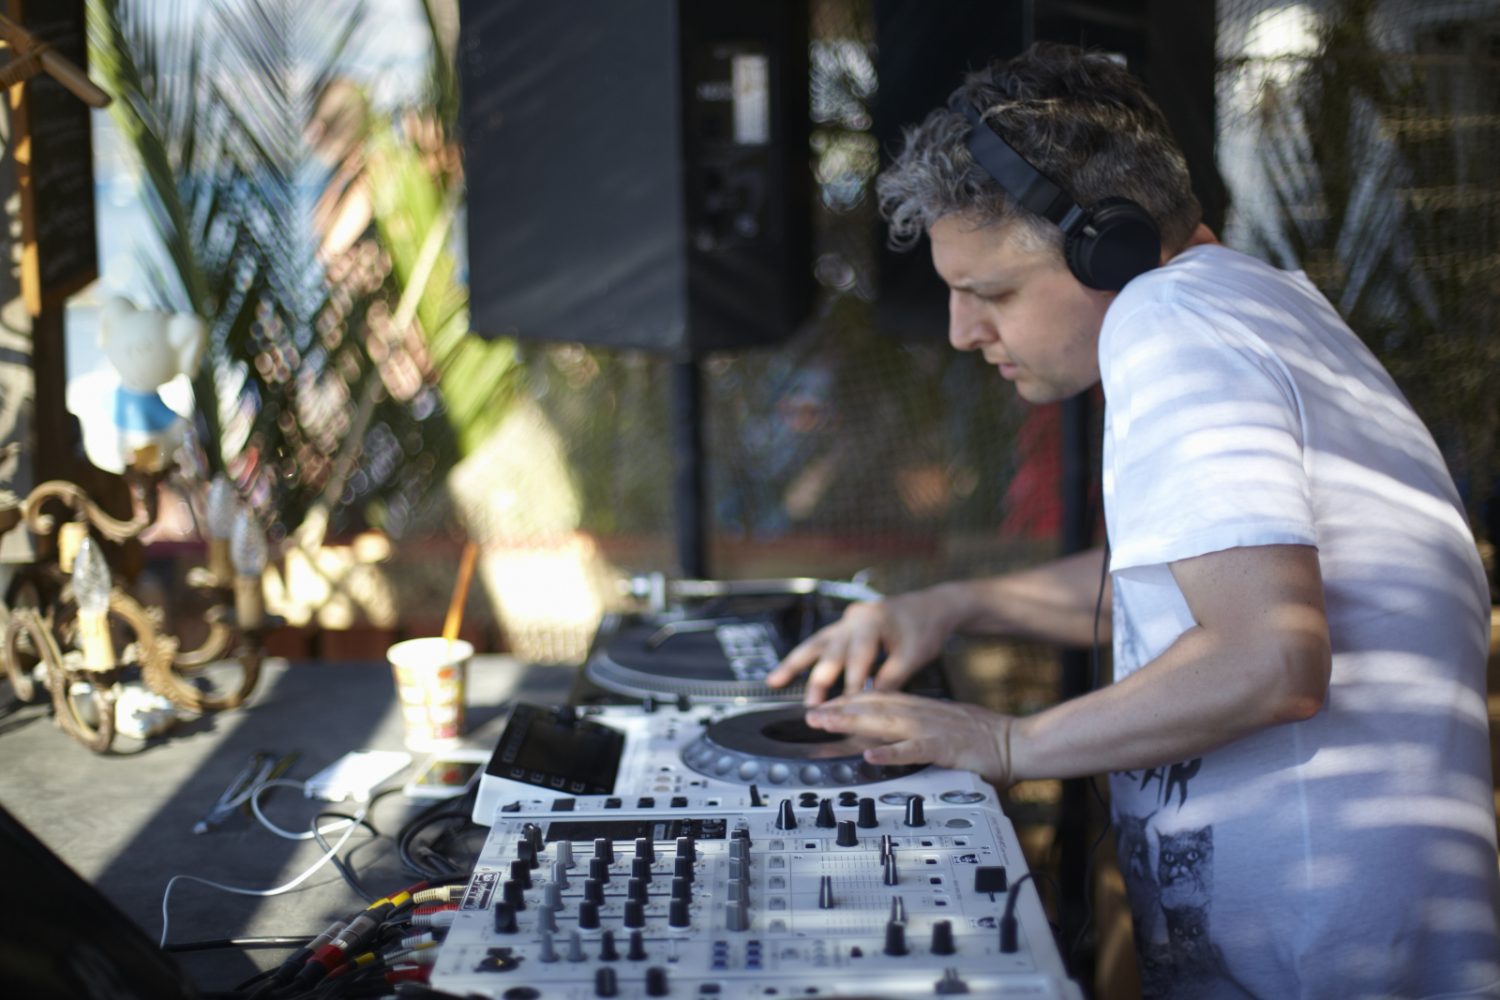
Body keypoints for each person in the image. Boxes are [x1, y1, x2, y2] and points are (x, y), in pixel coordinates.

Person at [765, 42, 1500, 998]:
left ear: (1104, 245)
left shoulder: (1169, 326)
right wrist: (951, 606)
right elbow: (1196, 586)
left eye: (990, 293)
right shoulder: (1252, 302)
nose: (962, 331)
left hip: (1320, 967)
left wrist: (1011, 744)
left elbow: (1269, 657)